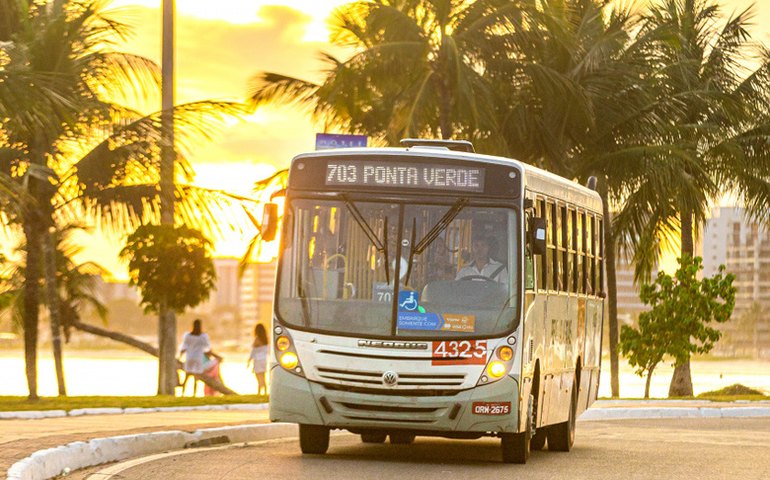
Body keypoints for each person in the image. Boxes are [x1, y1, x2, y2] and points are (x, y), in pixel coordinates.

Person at [178, 319, 222, 396]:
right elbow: (207, 347)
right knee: (196, 378)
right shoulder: (203, 336)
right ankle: (194, 394)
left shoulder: (188, 336)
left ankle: (182, 393)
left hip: (189, 358)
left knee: (187, 377)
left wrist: (180, 356)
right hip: (198, 358)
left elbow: (184, 346)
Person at [247, 323, 269, 395]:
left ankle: (259, 393)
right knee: (263, 376)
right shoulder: (266, 339)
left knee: (258, 376)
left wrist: (249, 361)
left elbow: (253, 352)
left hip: (258, 360)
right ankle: (265, 392)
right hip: (264, 360)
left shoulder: (257, 339)